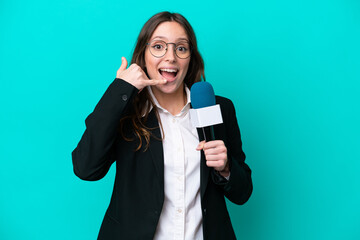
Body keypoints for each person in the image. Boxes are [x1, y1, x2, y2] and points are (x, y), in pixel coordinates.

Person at [72, 11, 252, 240]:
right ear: (143, 55)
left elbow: (243, 192)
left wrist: (226, 168)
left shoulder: (219, 108)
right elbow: (85, 168)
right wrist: (119, 90)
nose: (171, 57)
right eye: (158, 46)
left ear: (191, 58)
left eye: (181, 48)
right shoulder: (126, 111)